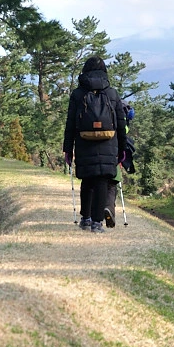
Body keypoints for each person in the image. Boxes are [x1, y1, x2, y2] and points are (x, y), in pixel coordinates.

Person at [63, 56, 131, 233]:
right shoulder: (112, 93)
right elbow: (121, 123)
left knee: (87, 180)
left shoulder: (78, 94)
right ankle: (97, 223)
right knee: (102, 180)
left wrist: (68, 149)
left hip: (83, 142)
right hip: (109, 143)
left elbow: (70, 123)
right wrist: (123, 148)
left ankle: (85, 219)